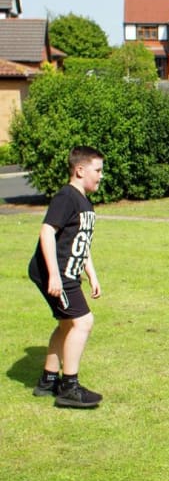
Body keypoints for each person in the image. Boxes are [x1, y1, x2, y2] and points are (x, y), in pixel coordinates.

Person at [28, 146, 105, 407]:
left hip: (68, 272)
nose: (101, 176)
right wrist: (54, 276)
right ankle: (69, 387)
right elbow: (47, 232)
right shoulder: (66, 197)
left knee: (66, 324)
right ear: (80, 170)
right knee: (82, 322)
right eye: (98, 170)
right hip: (56, 272)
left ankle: (48, 381)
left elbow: (80, 243)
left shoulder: (84, 201)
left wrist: (92, 274)